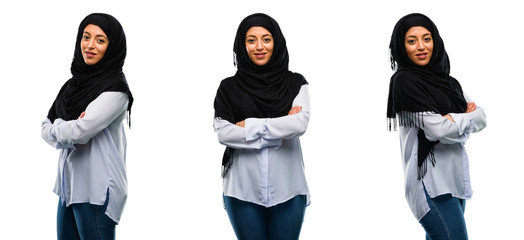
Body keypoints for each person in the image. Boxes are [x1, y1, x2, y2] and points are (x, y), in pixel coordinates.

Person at [387, 13, 486, 239]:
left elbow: (481, 118)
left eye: (427, 39)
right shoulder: (404, 81)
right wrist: (463, 121)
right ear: (402, 46)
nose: (421, 46)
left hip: (455, 179)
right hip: (429, 185)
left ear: (436, 41)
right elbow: (438, 130)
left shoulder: (449, 83)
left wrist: (454, 122)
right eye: (412, 41)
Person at [213, 13, 310, 240]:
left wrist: (247, 126)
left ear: (276, 42)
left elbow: (299, 123)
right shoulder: (228, 88)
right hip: (242, 190)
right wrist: (278, 130)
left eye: (266, 39)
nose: (259, 46)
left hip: (289, 189)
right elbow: (224, 133)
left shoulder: (295, 83)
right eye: (251, 40)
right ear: (242, 44)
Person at [41, 13, 133, 240]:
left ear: (112, 47)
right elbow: (45, 126)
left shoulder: (116, 90)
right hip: (68, 187)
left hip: (96, 192)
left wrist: (61, 126)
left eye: (100, 40)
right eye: (86, 37)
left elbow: (81, 133)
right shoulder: (72, 86)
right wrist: (67, 125)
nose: (90, 45)